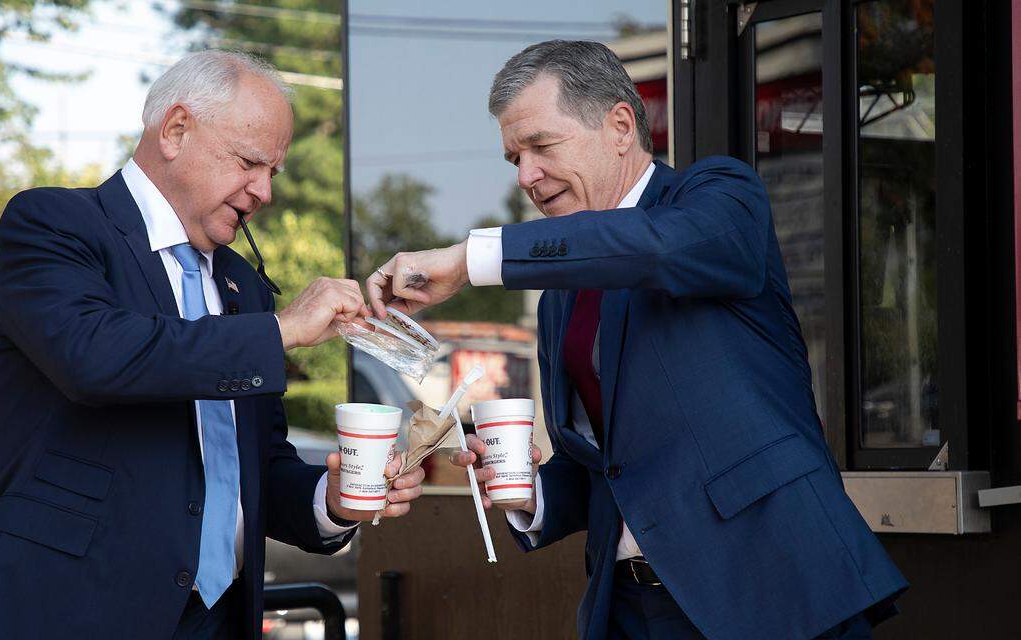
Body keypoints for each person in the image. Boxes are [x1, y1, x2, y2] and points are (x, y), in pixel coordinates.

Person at [366, 40, 906, 640]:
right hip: (628, 607)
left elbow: (647, 248)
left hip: (769, 588)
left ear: (621, 125)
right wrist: (528, 495)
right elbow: (609, 466)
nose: (526, 176)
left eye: (541, 147)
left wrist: (473, 258)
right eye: (513, 159)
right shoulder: (559, 300)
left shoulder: (719, 197)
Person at [0, 50, 423, 639]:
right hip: (61, 614)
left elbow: (258, 468)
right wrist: (282, 330)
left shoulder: (242, 285)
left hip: (216, 621)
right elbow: (97, 359)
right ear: (175, 130)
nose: (264, 191)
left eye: (274, 171)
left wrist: (336, 496)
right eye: (250, 162)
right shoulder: (53, 223)